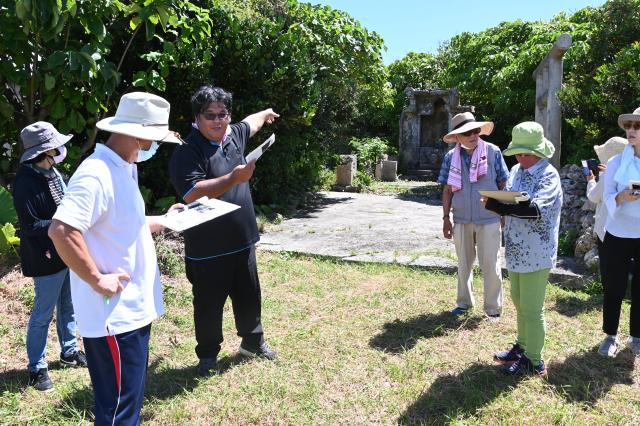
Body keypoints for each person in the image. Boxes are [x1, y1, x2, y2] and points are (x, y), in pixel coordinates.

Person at [48, 92, 182, 425]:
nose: (154, 146)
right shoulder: (97, 173)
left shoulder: (123, 168)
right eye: (153, 139)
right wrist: (97, 279)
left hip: (131, 312)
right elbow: (62, 230)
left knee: (126, 405)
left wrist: (165, 220)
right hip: (115, 317)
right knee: (118, 412)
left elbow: (121, 224)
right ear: (137, 135)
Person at [169, 86, 279, 376]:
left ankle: (253, 342)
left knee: (249, 294)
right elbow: (192, 192)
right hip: (207, 246)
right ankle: (207, 357)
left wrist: (265, 113)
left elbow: (251, 123)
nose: (218, 120)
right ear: (197, 118)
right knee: (209, 304)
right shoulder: (187, 151)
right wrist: (233, 178)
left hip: (242, 239)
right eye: (210, 115)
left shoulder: (234, 135)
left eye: (223, 114)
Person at [483, 121, 562, 376]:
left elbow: (537, 209)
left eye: (525, 153)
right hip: (516, 247)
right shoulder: (517, 170)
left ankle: (534, 360)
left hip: (537, 251)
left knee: (532, 308)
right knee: (519, 301)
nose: (520, 158)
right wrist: (495, 202)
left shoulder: (548, 175)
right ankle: (523, 346)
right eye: (517, 152)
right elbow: (510, 197)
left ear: (538, 151)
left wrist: (500, 205)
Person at [12, 122, 87, 392]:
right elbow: (31, 225)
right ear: (45, 151)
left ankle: (69, 352)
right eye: (55, 146)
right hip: (44, 255)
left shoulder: (52, 172)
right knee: (43, 313)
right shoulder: (25, 182)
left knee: (68, 304)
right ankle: (37, 367)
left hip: (64, 249)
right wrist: (63, 223)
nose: (59, 150)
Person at [437, 112, 508, 318]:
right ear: (457, 137)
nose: (473, 135)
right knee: (463, 264)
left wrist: (504, 212)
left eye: (476, 131)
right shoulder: (451, 157)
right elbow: (447, 189)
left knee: (491, 264)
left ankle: (493, 309)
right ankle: (464, 303)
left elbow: (503, 182)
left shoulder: (493, 152)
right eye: (467, 133)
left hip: (489, 217)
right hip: (461, 218)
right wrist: (445, 218)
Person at [598, 106, 640, 357]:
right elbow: (606, 197)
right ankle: (610, 336)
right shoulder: (615, 162)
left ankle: (636, 337)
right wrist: (623, 196)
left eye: (637, 126)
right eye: (629, 126)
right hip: (618, 233)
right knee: (614, 287)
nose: (631, 130)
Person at [585, 137, 627, 346]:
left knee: (611, 282)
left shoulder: (608, 174)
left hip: (609, 233)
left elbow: (594, 197)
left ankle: (611, 335)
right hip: (628, 232)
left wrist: (591, 180)